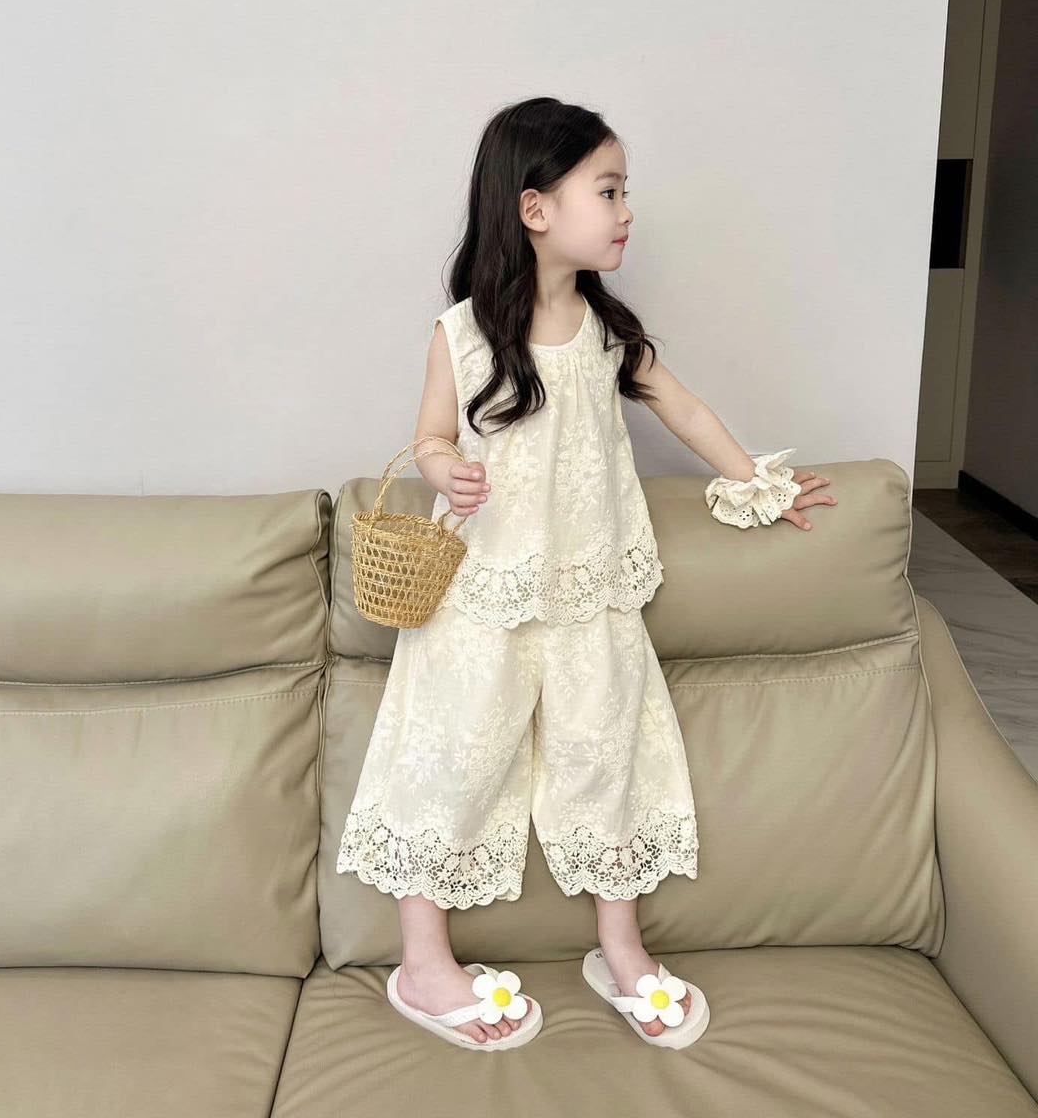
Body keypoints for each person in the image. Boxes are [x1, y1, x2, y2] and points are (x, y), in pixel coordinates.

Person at [336, 97, 838, 1050]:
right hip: (480, 594)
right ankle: (423, 963)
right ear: (535, 209)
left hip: (590, 594)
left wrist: (757, 483)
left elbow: (684, 410)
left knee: (610, 759)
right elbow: (431, 434)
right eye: (607, 191)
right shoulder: (463, 332)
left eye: (623, 191)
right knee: (453, 760)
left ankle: (621, 950)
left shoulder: (609, 332)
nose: (625, 211)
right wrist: (445, 468)